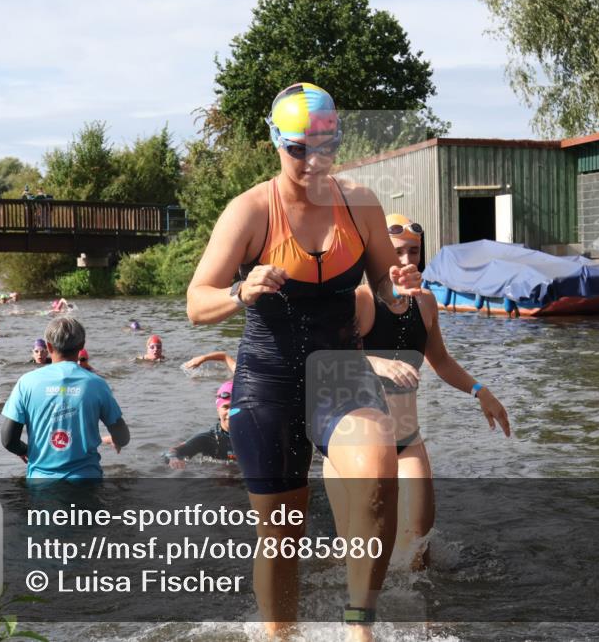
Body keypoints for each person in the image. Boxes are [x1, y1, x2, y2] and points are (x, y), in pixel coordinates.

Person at [186, 82, 423, 637]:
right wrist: (241, 292)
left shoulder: (359, 205)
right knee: (281, 534)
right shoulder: (249, 211)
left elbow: (387, 290)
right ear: (276, 143)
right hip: (268, 382)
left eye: (326, 144)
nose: (314, 159)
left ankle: (358, 627)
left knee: (377, 473)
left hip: (341, 372)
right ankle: (279, 635)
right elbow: (198, 302)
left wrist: (398, 288)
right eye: (299, 148)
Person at [324, 214, 511, 570]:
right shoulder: (361, 301)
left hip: (405, 438)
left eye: (414, 252)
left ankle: (423, 621)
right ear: (379, 257)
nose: (407, 261)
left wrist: (479, 390)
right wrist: (375, 363)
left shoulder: (425, 304)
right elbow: (328, 359)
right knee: (357, 554)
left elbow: (440, 359)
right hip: (351, 442)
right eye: (397, 252)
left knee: (419, 546)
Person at [0, 317, 129, 478]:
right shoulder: (96, 384)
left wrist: (25, 451)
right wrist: (117, 439)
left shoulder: (26, 383)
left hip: (41, 483)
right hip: (86, 482)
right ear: (82, 346)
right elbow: (123, 436)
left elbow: (8, 440)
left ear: (48, 346)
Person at [164, 381, 237, 469]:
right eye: (225, 407)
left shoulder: (255, 435)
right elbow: (171, 453)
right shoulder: (209, 438)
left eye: (235, 407)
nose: (230, 412)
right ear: (218, 410)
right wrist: (174, 459)